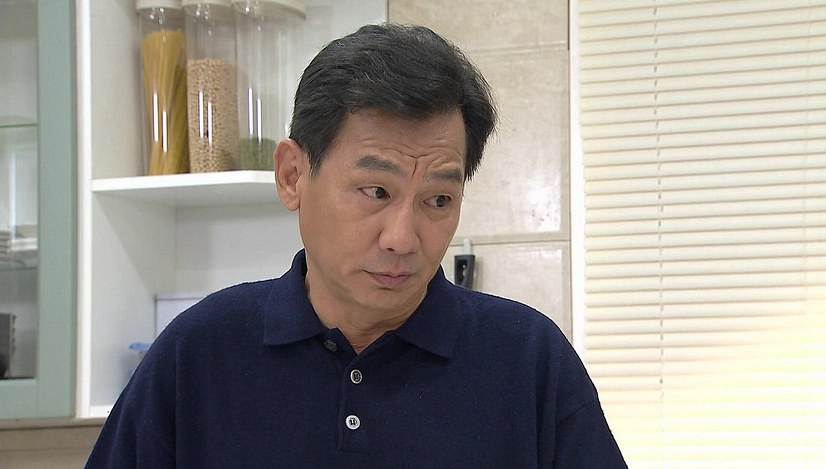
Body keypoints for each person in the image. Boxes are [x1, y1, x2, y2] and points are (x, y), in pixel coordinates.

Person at [86, 23, 627, 468]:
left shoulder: (529, 359)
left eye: (438, 199)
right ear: (293, 176)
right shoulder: (197, 352)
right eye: (376, 191)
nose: (402, 238)